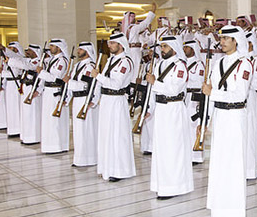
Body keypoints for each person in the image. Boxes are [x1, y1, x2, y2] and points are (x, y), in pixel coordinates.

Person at [202, 25, 253, 217]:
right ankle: (219, 206)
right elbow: (210, 91)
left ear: (236, 41)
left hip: (235, 115)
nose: (221, 42)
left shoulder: (245, 64)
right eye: (221, 38)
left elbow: (239, 94)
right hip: (220, 115)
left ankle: (232, 210)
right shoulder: (219, 62)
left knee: (233, 163)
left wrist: (212, 93)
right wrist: (206, 119)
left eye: (226, 39)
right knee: (219, 162)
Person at [145, 35, 194, 199]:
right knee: (161, 148)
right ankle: (162, 185)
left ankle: (175, 186)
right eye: (161, 46)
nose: (162, 49)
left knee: (174, 148)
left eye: (165, 46)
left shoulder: (180, 66)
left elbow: (174, 89)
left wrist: (154, 82)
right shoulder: (159, 64)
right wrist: (149, 108)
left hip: (174, 109)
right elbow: (153, 91)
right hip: (161, 110)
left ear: (174, 47)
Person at [91, 32, 136, 182]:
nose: (109, 46)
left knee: (117, 136)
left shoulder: (126, 62)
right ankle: (106, 168)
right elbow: (101, 83)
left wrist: (98, 76)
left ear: (120, 45)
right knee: (106, 135)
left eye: (112, 43)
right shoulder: (111, 60)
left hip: (117, 101)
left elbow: (116, 84)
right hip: (106, 101)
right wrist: (95, 98)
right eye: (109, 43)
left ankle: (119, 170)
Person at [65, 42, 100, 167]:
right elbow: (73, 83)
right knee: (79, 131)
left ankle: (90, 158)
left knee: (87, 130)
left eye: (81, 49)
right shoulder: (77, 65)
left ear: (87, 51)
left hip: (86, 100)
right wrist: (67, 98)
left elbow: (87, 85)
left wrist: (69, 83)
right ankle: (80, 158)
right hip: (77, 100)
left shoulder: (90, 66)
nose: (78, 51)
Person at [37, 39, 69, 154]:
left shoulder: (62, 61)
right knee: (48, 120)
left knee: (55, 121)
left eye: (52, 46)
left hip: (55, 91)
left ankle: (57, 146)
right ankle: (49, 145)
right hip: (48, 92)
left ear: (59, 48)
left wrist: (41, 72)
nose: (50, 48)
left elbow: (56, 78)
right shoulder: (52, 59)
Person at [9, 44, 43, 145]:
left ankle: (33, 137)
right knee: (25, 114)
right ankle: (26, 136)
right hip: (25, 89)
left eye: (30, 50)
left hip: (32, 90)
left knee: (31, 114)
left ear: (35, 52)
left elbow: (27, 66)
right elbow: (20, 59)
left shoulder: (38, 62)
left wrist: (10, 61)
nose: (27, 52)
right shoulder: (29, 60)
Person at [245, 31, 257, 179]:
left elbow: (256, 83)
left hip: (251, 98)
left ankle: (250, 170)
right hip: (240, 99)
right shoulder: (241, 59)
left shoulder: (256, 60)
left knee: (251, 133)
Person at [183, 39, 205, 164]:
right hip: (185, 96)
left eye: (187, 47)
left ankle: (196, 156)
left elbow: (199, 82)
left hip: (194, 97)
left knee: (193, 126)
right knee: (185, 126)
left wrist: (185, 81)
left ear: (193, 49)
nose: (184, 50)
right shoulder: (183, 63)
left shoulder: (199, 65)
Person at [2, 42, 25, 137]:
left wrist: (2, 73)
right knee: (10, 107)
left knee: (15, 107)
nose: (10, 50)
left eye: (11, 48)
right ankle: (12, 129)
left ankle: (17, 129)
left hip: (16, 85)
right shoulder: (10, 59)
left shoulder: (19, 58)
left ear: (16, 49)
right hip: (9, 85)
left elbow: (14, 74)